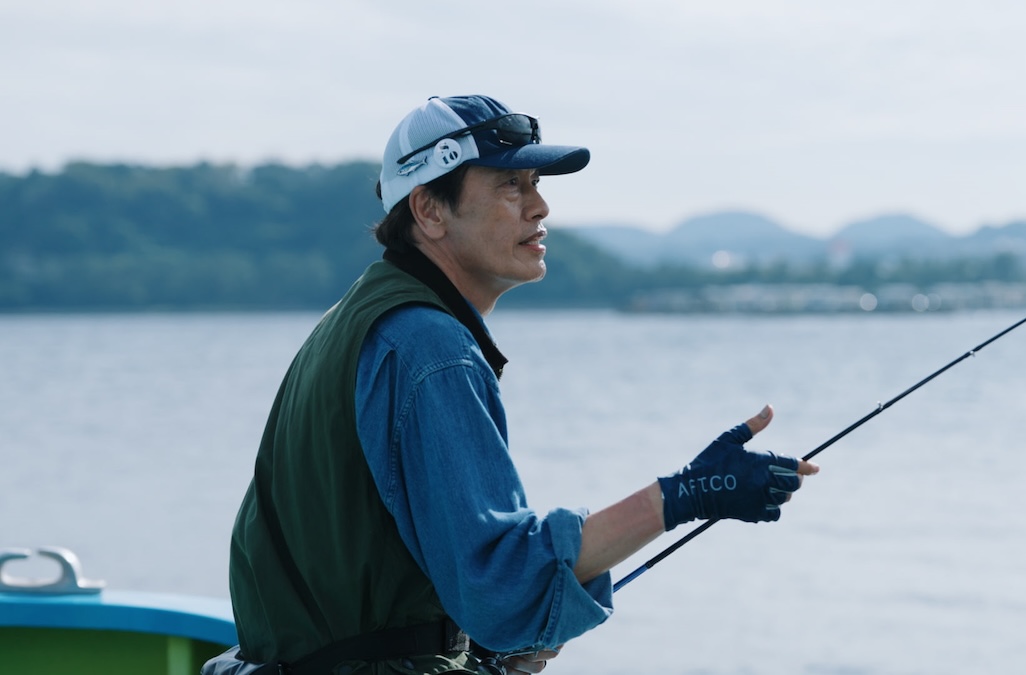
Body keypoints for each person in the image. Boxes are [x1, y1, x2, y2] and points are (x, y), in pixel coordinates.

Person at [203, 94, 819, 675]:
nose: (540, 207)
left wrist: (471, 648)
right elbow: (497, 585)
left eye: (536, 185)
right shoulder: (429, 346)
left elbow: (412, 581)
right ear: (428, 210)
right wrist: (686, 496)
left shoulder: (364, 316)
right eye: (508, 186)